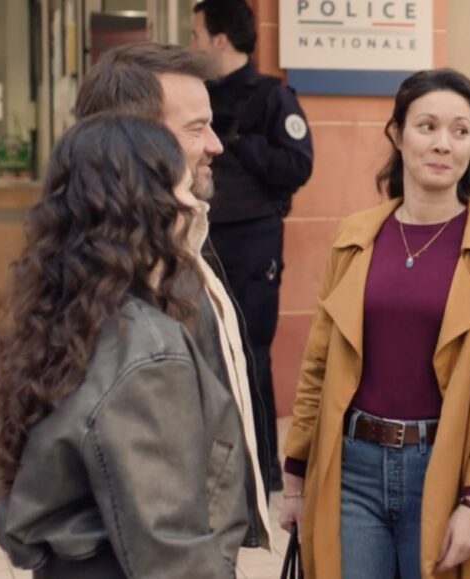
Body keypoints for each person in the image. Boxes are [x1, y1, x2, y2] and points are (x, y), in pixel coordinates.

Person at [277, 68, 470, 579]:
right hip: (351, 469)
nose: (443, 144)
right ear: (396, 134)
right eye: (427, 126)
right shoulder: (355, 237)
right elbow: (318, 364)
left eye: (460, 131)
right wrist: (295, 478)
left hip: (444, 469)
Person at [0, 113, 249, 578]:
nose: (195, 205)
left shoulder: (65, 320)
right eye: (184, 190)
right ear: (149, 208)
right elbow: (172, 556)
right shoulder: (148, 351)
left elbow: (19, 508)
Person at [73, 41, 272, 550]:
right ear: (138, 141)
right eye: (195, 128)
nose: (216, 145)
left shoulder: (178, 245)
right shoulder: (122, 277)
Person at [190, 0, 315, 493]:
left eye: (197, 34)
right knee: (201, 348)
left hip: (252, 244)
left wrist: (244, 144)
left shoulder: (271, 98)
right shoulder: (196, 97)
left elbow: (297, 165)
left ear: (220, 39)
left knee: (249, 350)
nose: (192, 44)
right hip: (202, 238)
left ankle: (262, 470)